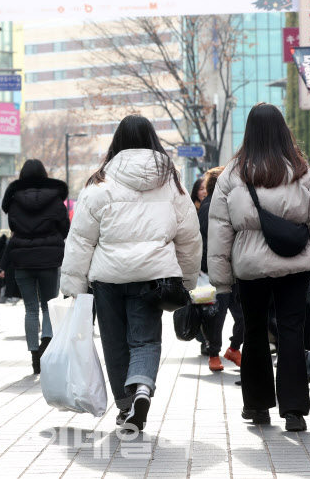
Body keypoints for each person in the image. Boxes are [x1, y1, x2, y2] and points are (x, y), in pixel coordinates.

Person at [207, 103, 310, 432]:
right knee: (291, 332)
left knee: (254, 332)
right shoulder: (300, 171)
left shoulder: (232, 174)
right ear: (284, 130)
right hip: (295, 264)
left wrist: (221, 280)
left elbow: (219, 228)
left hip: (250, 266)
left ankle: (257, 407)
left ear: (249, 132)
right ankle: (295, 410)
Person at [61, 114, 202, 432]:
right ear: (153, 140)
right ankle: (141, 386)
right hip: (153, 276)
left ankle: (125, 410)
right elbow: (189, 237)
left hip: (108, 278)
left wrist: (74, 284)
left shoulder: (100, 183)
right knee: (145, 341)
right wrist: (188, 279)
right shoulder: (171, 184)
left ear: (117, 143)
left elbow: (82, 239)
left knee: (114, 343)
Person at [1, 159, 69, 374]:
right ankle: (46, 345)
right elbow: (64, 227)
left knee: (30, 309)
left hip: (22, 260)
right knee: (48, 306)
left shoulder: (14, 200)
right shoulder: (56, 199)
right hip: (49, 258)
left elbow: (12, 226)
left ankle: (33, 355)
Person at [197, 165, 244, 372]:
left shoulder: (228, 203)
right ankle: (214, 353)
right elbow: (208, 242)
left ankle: (234, 348)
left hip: (235, 269)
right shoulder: (209, 207)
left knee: (242, 315)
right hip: (218, 270)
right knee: (219, 315)